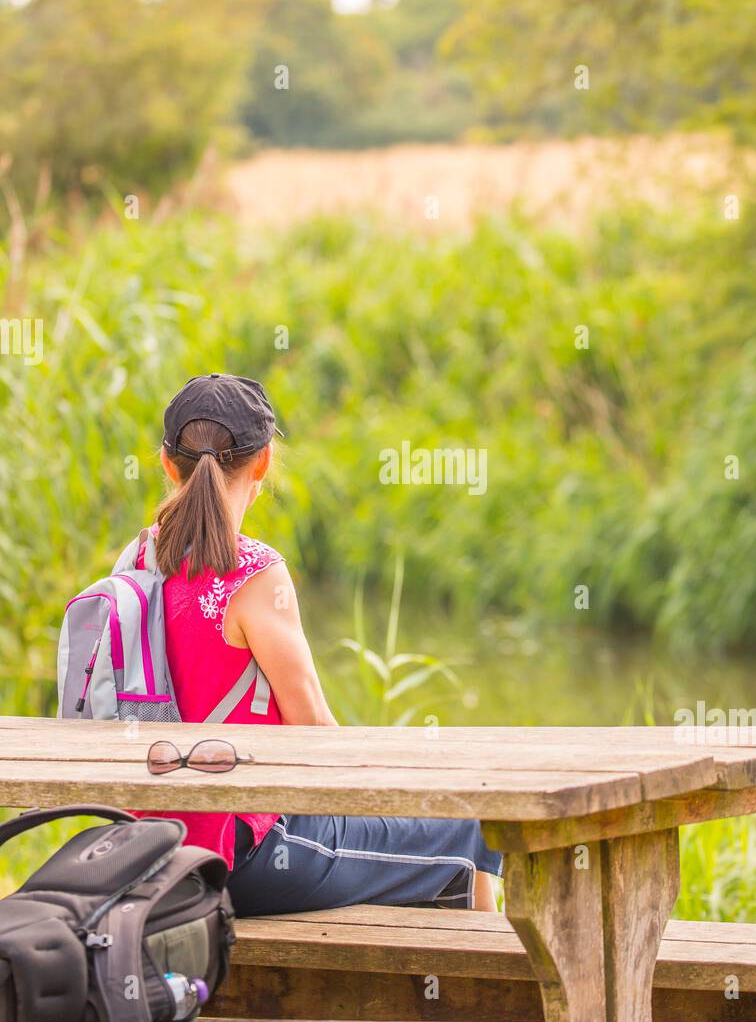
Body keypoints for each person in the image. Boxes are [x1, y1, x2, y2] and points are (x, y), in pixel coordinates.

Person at [133, 372, 502, 917]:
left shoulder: (138, 564)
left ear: (168, 464)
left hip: (152, 849)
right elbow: (317, 735)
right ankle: (490, 995)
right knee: (473, 829)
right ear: (261, 464)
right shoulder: (256, 573)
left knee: (420, 846)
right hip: (243, 857)